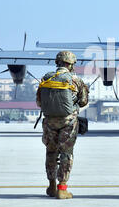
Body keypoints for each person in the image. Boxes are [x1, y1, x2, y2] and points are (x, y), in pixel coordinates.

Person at [36, 50, 89, 199]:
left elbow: (39, 102)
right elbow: (84, 101)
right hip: (68, 122)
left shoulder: (46, 78)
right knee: (66, 153)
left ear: (57, 62)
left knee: (51, 152)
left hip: (49, 122)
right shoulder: (75, 80)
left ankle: (51, 186)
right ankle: (62, 188)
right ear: (71, 64)